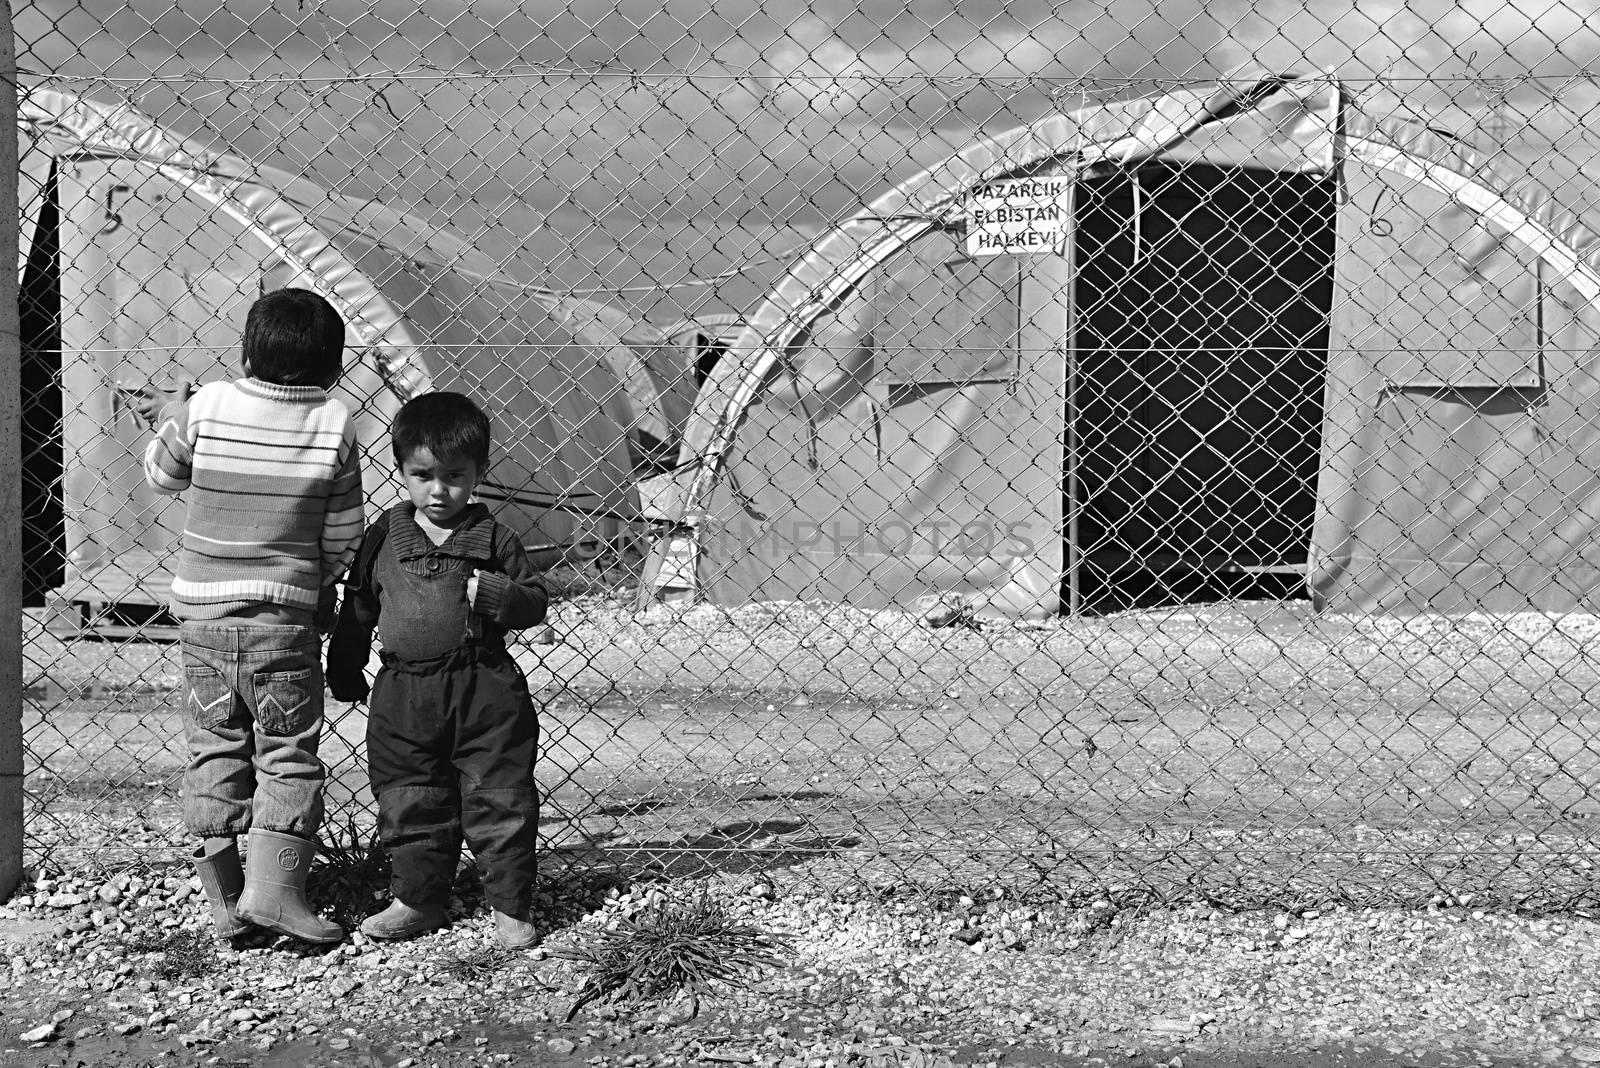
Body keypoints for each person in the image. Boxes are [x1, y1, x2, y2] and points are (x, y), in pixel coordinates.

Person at [139, 287, 362, 944]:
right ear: (333, 368)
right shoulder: (334, 422)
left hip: (203, 625)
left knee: (214, 747)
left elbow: (162, 474)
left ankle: (228, 903)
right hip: (283, 623)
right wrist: (319, 584)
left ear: (244, 355)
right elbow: (343, 532)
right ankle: (277, 895)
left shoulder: (207, 404)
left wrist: (174, 416)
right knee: (288, 754)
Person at [325, 391, 548, 948]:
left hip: (484, 689)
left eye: (454, 474)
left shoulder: (495, 538)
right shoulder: (385, 536)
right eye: (423, 475)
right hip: (403, 693)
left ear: (479, 472)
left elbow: (535, 600)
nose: (439, 489)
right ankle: (419, 900)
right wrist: (345, 665)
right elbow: (357, 606)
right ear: (401, 469)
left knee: (499, 793)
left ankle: (509, 905)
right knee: (410, 794)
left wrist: (499, 595)